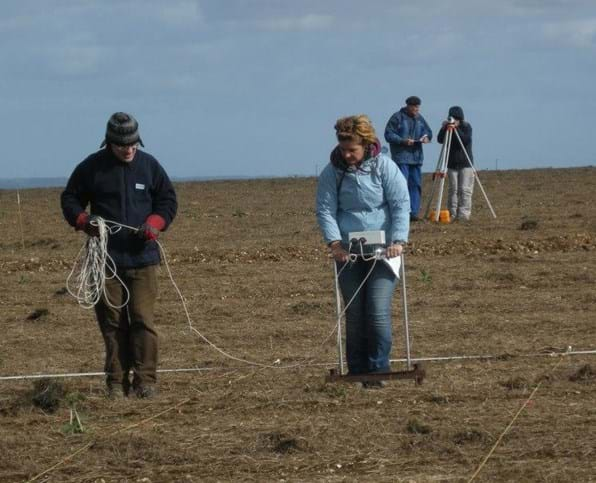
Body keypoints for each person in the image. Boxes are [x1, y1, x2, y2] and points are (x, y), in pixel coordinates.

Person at [61, 112, 177, 399]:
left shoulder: (150, 167)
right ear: (109, 143)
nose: (129, 149)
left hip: (143, 260)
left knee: (142, 320)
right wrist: (83, 221)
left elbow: (167, 200)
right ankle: (115, 384)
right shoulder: (92, 168)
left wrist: (155, 224)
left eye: (133, 144)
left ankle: (146, 382)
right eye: (122, 144)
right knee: (112, 324)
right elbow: (70, 198)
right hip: (106, 262)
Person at [316, 115, 410, 387]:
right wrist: (335, 244)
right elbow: (325, 209)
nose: (347, 155)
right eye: (343, 149)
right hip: (348, 253)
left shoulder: (385, 167)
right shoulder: (331, 172)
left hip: (384, 253)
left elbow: (400, 205)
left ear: (366, 144)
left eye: (352, 150)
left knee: (377, 311)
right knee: (355, 312)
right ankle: (356, 371)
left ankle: (378, 371)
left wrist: (398, 241)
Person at [384, 96, 433, 221]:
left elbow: (428, 131)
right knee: (401, 185)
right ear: (408, 106)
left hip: (416, 158)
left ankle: (414, 213)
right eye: (414, 107)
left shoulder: (420, 118)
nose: (416, 109)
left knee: (415, 185)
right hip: (401, 158)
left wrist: (426, 137)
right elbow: (388, 134)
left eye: (418, 107)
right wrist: (402, 141)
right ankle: (401, 212)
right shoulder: (397, 117)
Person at [437, 106, 474, 221]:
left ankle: (463, 214)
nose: (455, 120)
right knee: (453, 189)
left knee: (464, 189)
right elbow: (440, 139)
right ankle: (452, 213)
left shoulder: (466, 127)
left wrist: (456, 129)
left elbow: (464, 140)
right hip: (452, 164)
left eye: (457, 119)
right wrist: (444, 128)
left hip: (465, 163)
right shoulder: (448, 128)